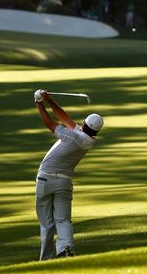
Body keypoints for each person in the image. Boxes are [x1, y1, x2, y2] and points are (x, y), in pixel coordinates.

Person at [33, 89, 104, 260]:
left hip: (45, 178)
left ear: (85, 124)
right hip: (64, 183)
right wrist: (49, 100)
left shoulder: (72, 136)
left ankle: (46, 259)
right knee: (63, 220)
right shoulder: (87, 140)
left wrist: (39, 102)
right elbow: (65, 118)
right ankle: (66, 249)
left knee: (47, 223)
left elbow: (49, 123)